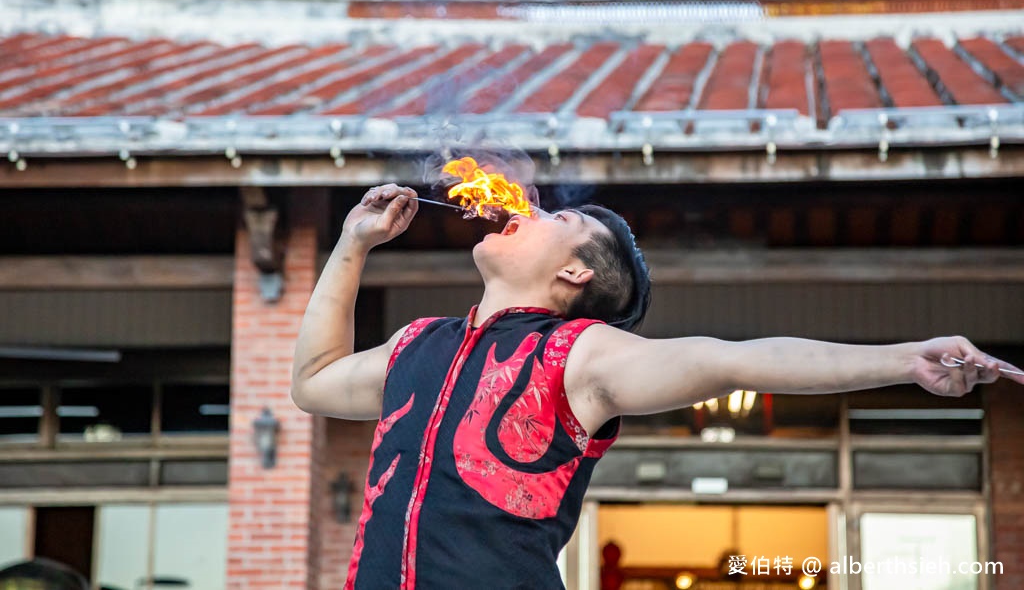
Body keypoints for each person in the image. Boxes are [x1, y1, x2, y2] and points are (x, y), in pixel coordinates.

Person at [291, 183, 1021, 590]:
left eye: (557, 215)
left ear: (575, 273)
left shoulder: (580, 354)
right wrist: (352, 243)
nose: (525, 207)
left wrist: (902, 359)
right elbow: (314, 381)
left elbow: (735, 359)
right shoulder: (417, 342)